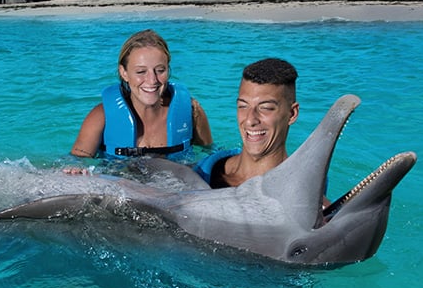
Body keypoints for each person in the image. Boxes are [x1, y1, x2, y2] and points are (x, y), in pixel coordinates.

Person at [71, 29, 213, 159]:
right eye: (140, 72)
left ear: (168, 70)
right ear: (124, 73)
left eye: (160, 70)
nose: (152, 80)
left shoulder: (191, 111)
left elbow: (210, 154)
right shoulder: (101, 116)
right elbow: (77, 161)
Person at [194, 58, 302, 188]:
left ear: (292, 114)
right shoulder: (204, 172)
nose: (250, 120)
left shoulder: (304, 194)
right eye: (243, 106)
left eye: (266, 108)